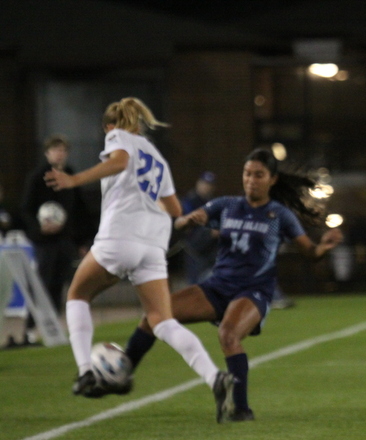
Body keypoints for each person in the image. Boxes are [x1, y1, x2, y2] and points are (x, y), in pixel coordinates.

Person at [44, 97, 235, 422]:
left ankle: (85, 372)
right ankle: (214, 377)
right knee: (162, 320)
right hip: (152, 245)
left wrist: (74, 180)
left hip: (119, 236)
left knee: (77, 295)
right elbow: (175, 209)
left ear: (109, 125)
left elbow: (119, 161)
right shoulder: (156, 154)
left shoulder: (119, 137)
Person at [121, 148, 343, 422]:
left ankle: (241, 409)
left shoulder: (279, 215)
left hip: (253, 292)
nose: (251, 180)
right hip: (217, 286)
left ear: (272, 179)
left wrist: (325, 247)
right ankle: (121, 371)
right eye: (247, 174)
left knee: (228, 335)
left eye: (259, 175)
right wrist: (188, 220)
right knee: (154, 315)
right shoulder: (226, 206)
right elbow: (180, 222)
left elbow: (309, 252)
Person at [21, 135, 89, 325]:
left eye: (63, 150)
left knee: (60, 284)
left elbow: (79, 209)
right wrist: (40, 228)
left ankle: (52, 324)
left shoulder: (70, 174)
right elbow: (26, 209)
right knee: (42, 282)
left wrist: (82, 241)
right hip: (44, 241)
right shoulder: (36, 177)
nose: (60, 154)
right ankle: (31, 327)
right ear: (47, 153)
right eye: (56, 150)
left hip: (65, 239)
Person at [179, 171, 218, 284]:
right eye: (204, 183)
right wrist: (209, 232)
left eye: (209, 185)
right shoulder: (189, 201)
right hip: (193, 249)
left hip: (209, 251)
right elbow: (186, 226)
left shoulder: (212, 202)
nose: (206, 187)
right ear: (198, 183)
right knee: (195, 284)